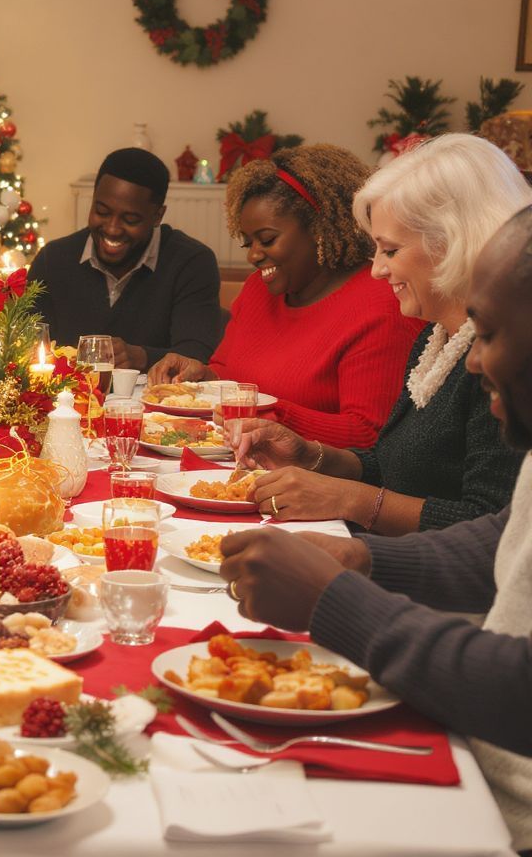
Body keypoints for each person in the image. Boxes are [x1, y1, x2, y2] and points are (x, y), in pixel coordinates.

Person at [219, 205, 532, 853]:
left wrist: (335, 601)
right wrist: (362, 560)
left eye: (493, 335)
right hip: (474, 748)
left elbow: (520, 690)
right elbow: (502, 544)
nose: (474, 364)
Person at [233, 135, 528, 532]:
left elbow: (492, 526)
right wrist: (311, 456)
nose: (376, 270)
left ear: (450, 242)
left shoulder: (502, 358)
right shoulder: (435, 339)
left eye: (390, 251)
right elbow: (393, 465)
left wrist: (350, 500)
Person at [149, 144, 423, 448]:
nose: (253, 255)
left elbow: (369, 435)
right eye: (247, 242)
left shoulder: (380, 304)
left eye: (267, 239)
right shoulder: (258, 289)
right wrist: (201, 375)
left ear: (320, 229)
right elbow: (229, 373)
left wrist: (267, 413)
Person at [29, 148, 222, 370]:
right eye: (102, 211)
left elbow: (196, 355)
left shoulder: (192, 263)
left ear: (158, 216)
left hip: (157, 402)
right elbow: (28, 344)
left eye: (130, 219)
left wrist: (141, 357)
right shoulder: (52, 260)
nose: (112, 229)